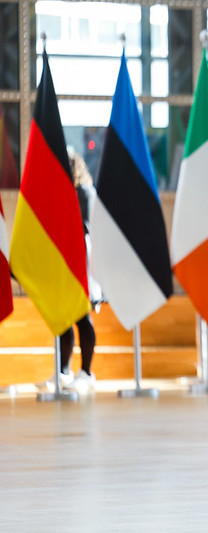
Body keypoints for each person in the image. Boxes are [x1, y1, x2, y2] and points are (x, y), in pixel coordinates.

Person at [37, 148, 98, 392]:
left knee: (81, 316)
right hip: (64, 260)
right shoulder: (58, 191)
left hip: (81, 259)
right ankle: (63, 371)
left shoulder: (83, 191)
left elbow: (83, 226)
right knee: (64, 317)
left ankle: (87, 372)